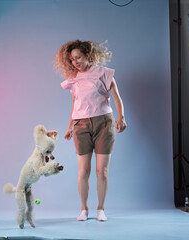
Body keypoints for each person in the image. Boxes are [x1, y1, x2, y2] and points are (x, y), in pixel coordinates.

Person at [54, 40, 127, 221]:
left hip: (104, 123)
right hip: (81, 126)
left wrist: (121, 118)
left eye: (78, 57)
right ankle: (84, 209)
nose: (75, 62)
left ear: (87, 55)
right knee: (83, 171)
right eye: (72, 59)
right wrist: (70, 126)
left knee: (101, 171)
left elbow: (117, 98)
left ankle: (100, 209)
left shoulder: (104, 73)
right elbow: (75, 104)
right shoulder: (74, 79)